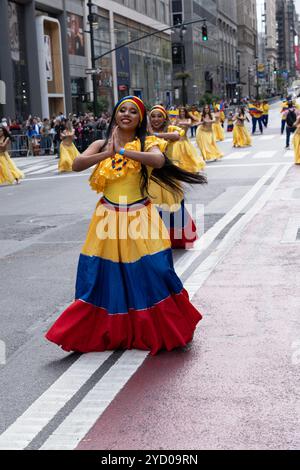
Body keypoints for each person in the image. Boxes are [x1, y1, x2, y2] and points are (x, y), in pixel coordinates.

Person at [45, 96, 206, 355]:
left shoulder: (148, 142)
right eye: (122, 110)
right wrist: (107, 151)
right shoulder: (100, 143)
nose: (127, 114)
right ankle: (110, 330)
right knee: (103, 275)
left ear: (139, 119)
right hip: (107, 218)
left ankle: (161, 325)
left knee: (155, 269)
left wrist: (123, 151)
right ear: (115, 115)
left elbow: (158, 162)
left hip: (140, 216)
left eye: (133, 111)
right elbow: (76, 165)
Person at [148, 104, 203, 248]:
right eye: (153, 116)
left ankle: (175, 239)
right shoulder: (144, 132)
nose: (156, 119)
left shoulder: (171, 129)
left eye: (159, 116)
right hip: (151, 176)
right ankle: (156, 240)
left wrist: (155, 135)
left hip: (169, 176)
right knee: (154, 208)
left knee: (173, 207)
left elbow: (177, 136)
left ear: (165, 117)